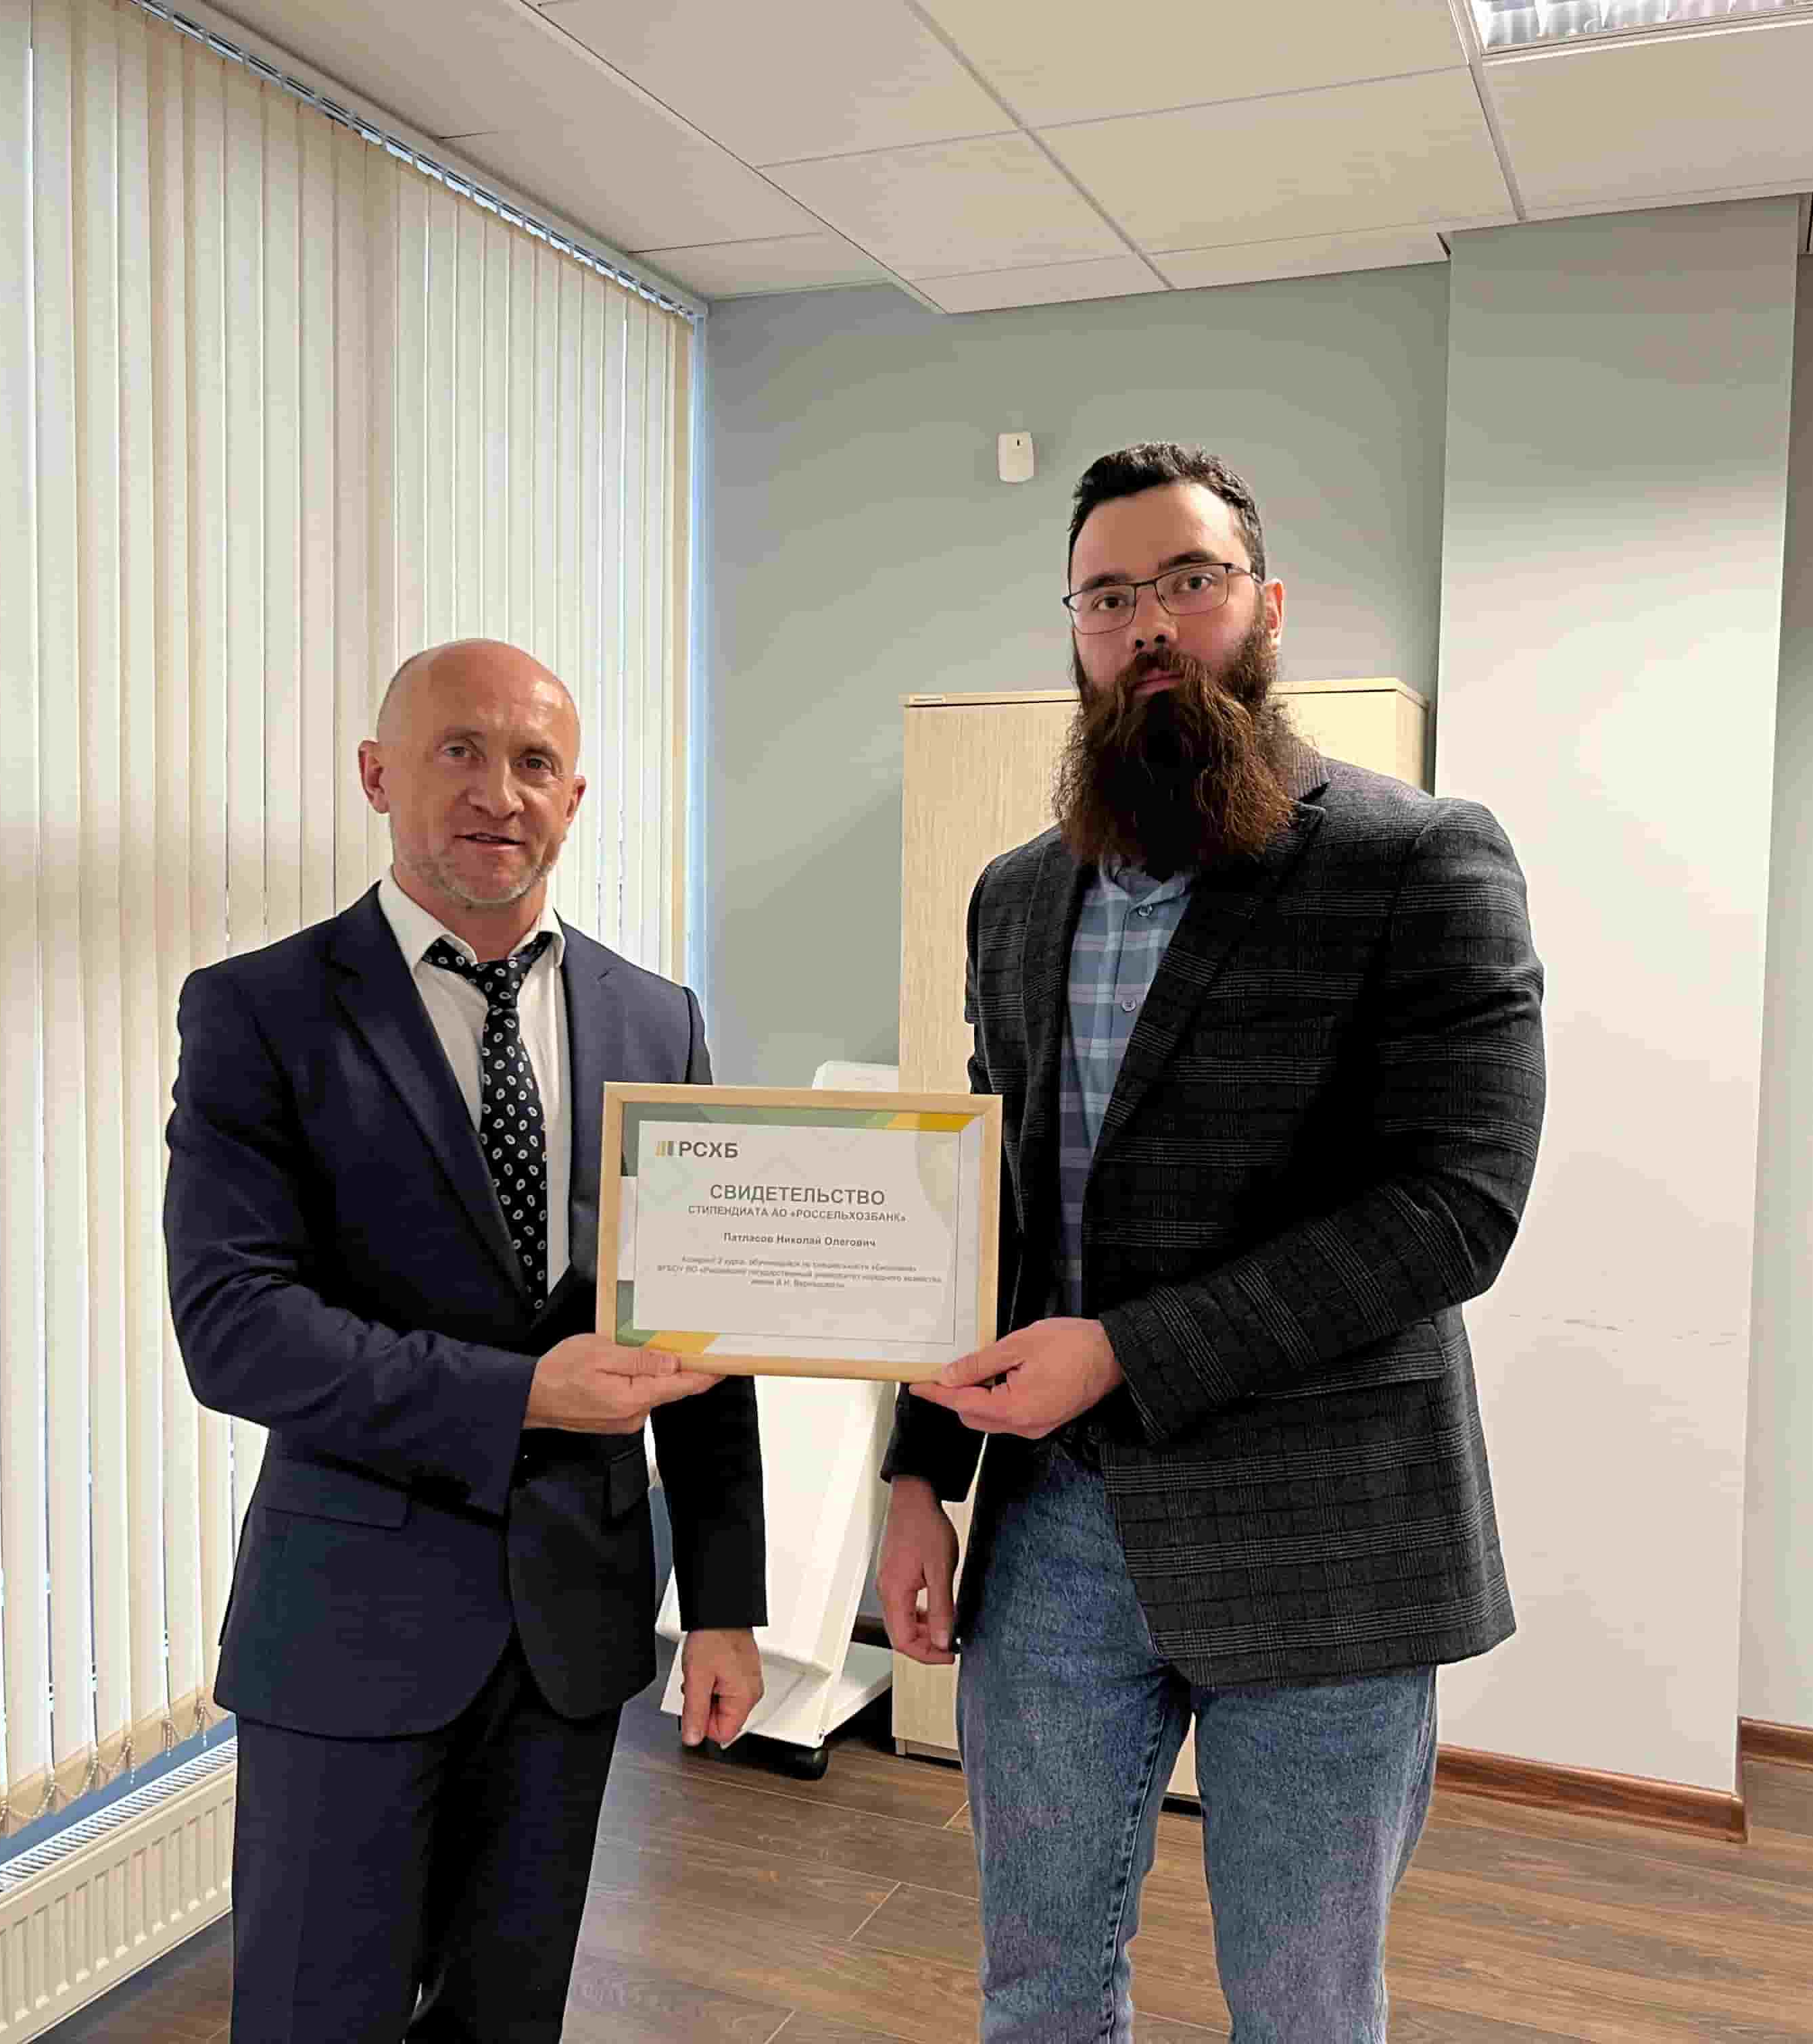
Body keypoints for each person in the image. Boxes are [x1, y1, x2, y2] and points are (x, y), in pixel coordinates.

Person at [875, 445, 1546, 2043]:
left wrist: (1127, 1351)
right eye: (1109, 596)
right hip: (1057, 1532)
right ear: (1077, 632)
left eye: (1190, 580)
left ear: (1268, 604)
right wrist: (915, 1478)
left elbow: (1456, 1206)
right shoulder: (1016, 897)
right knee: (1037, 1990)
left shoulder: (1415, 859)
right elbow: (999, 1209)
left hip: (1324, 1541)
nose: (1150, 624)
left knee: (1303, 2010)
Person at [165, 637, 767, 2044]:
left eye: (535, 761)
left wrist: (725, 1601)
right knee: (315, 2020)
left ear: (575, 797)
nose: (499, 791)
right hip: (350, 1622)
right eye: (460, 751)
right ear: (378, 775)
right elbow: (235, 1328)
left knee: (509, 2021)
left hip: (574, 1633)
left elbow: (701, 1328)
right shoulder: (259, 1011)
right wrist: (525, 1397)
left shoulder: (656, 1019)